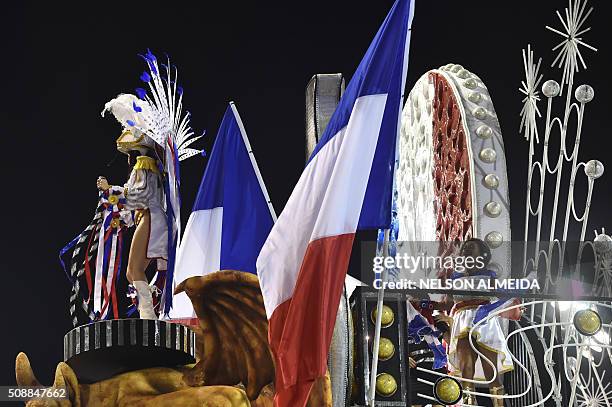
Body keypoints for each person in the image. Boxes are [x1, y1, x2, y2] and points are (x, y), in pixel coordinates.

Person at [96, 117, 168, 319]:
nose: (127, 156)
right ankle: (149, 310)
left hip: (150, 217)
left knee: (134, 269)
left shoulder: (144, 164)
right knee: (132, 272)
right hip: (147, 218)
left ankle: (148, 315)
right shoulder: (150, 166)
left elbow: (140, 196)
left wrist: (111, 190)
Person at [447, 238, 513, 406]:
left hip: (484, 321)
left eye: (470, 248)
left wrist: (490, 309)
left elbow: (505, 295)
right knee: (465, 370)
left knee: (491, 371)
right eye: (464, 249)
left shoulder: (489, 276)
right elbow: (448, 302)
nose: (465, 251)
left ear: (481, 255)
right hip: (462, 320)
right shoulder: (455, 277)